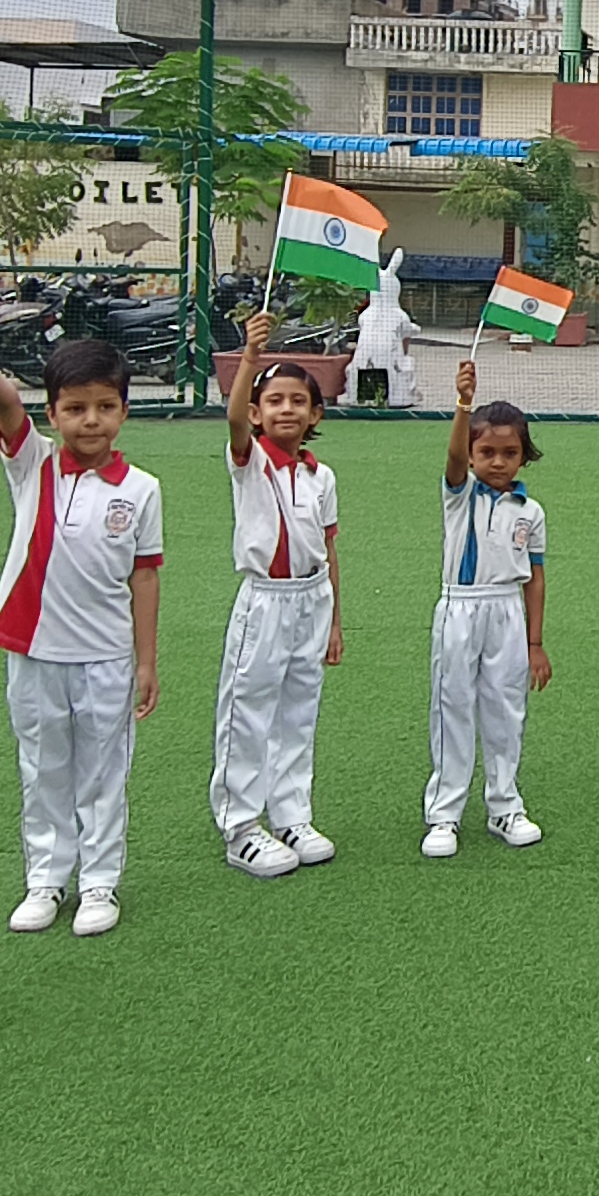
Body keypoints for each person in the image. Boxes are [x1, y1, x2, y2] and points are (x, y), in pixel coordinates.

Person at [0, 306, 164, 938]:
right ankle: (46, 880)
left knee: (104, 774)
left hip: (106, 655)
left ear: (124, 411)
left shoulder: (141, 489)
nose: (90, 420)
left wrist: (145, 660)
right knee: (43, 767)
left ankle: (99, 882)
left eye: (104, 407)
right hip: (33, 650)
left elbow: (145, 577)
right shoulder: (35, 464)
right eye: (75, 408)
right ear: (52, 414)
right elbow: (3, 398)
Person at [209, 320, 341, 879]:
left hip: (312, 599)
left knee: (298, 709)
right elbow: (234, 421)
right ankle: (240, 826)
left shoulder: (320, 476)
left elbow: (329, 549)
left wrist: (335, 621)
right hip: (265, 600)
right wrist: (250, 356)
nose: (286, 409)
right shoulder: (251, 463)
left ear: (315, 414)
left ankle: (291, 815)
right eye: (275, 401)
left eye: (298, 401)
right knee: (248, 708)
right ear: (258, 413)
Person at [425, 356, 549, 857]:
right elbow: (453, 457)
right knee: (452, 706)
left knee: (505, 709)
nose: (498, 462)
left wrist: (535, 642)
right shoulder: (460, 494)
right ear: (472, 455)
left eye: (510, 453)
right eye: (487, 452)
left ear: (523, 457)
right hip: (460, 609)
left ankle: (504, 806)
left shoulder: (531, 511)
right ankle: (444, 814)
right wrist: (463, 404)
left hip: (507, 615)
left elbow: (535, 578)